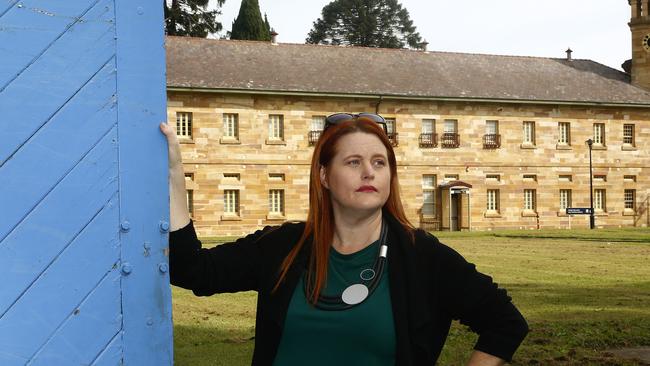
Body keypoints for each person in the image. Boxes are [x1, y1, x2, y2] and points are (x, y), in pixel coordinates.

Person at [159, 113, 528, 366]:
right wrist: (175, 175)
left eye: (379, 162)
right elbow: (194, 271)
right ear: (324, 175)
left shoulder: (421, 256)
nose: (369, 171)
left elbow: (505, 322)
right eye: (353, 162)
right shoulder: (283, 247)